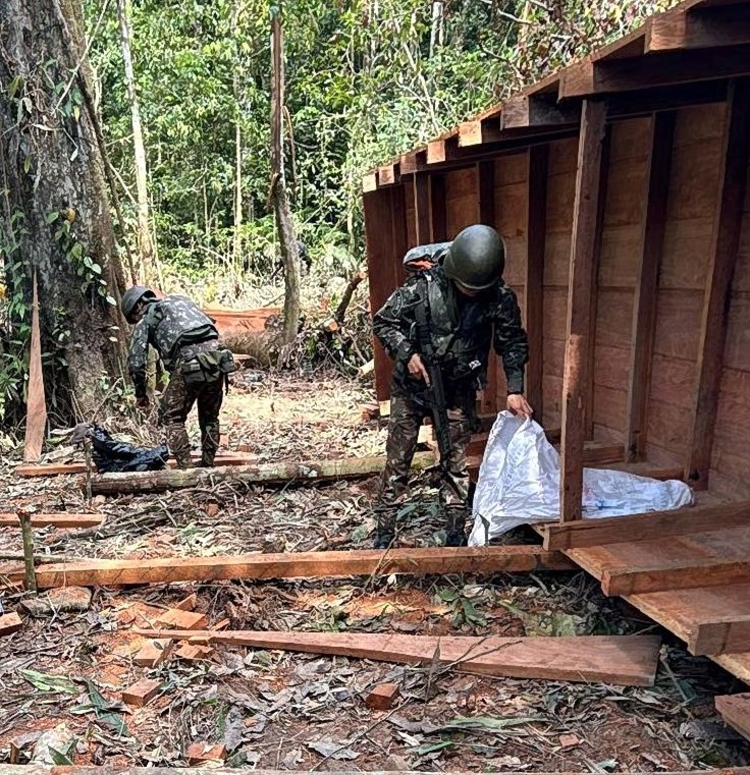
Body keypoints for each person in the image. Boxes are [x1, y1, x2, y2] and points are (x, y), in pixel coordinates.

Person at [372, 224, 532, 549]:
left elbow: (512, 340)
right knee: (398, 461)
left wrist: (515, 388)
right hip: (412, 388)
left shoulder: (497, 296)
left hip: (457, 390)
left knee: (455, 465)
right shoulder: (423, 285)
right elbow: (384, 321)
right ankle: (384, 533)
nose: (471, 292)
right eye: (467, 286)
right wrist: (408, 353)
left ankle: (456, 537)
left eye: (477, 288)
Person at [121, 286, 236, 469]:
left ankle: (186, 470)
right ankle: (208, 464)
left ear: (137, 308)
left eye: (134, 318)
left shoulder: (146, 320)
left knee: (172, 417)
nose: (137, 321)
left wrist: (141, 394)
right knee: (210, 416)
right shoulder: (181, 300)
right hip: (218, 357)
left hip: (188, 361)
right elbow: (208, 325)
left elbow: (136, 363)